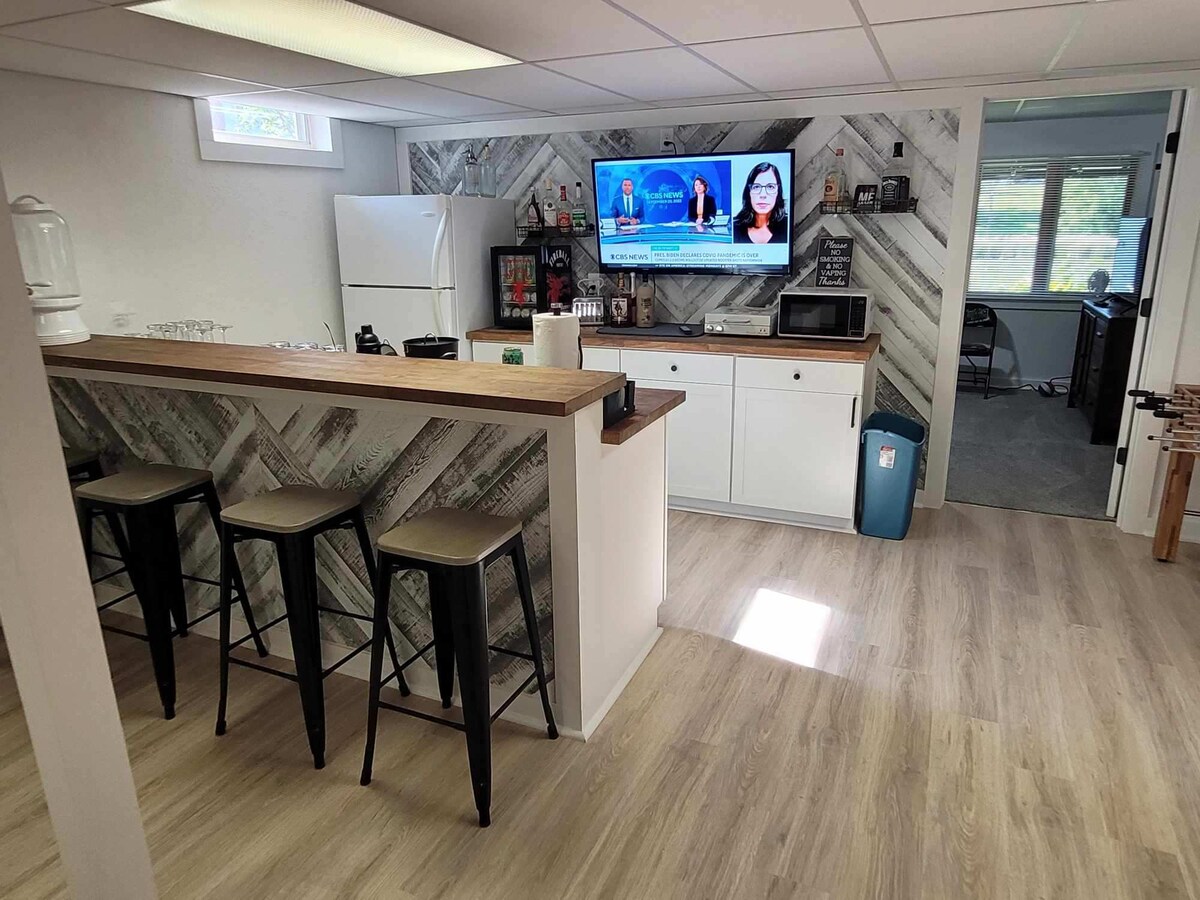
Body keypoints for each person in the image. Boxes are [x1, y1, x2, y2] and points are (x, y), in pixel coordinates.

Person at [732, 161, 788, 244]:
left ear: (778, 192)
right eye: (756, 187)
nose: (763, 195)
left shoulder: (787, 226)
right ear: (749, 192)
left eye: (770, 187)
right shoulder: (734, 228)